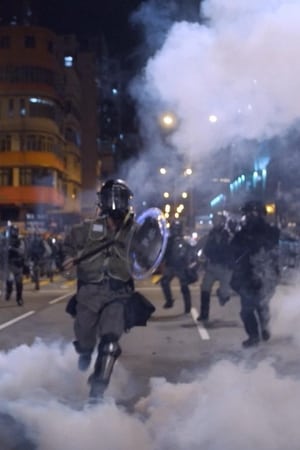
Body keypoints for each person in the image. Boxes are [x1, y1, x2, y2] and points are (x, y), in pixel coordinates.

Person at [62, 179, 155, 402]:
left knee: (110, 341)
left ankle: (97, 392)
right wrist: (67, 259)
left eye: (120, 198)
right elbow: (67, 246)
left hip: (118, 293)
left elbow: (148, 256)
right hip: (89, 294)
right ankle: (84, 351)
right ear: (102, 201)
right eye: (111, 198)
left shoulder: (136, 231)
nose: (115, 203)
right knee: (85, 339)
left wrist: (150, 245)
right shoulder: (87, 229)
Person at [230, 200, 280, 348]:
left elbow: (272, 249)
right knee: (247, 308)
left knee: (262, 304)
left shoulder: (270, 232)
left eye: (250, 213)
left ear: (259, 214)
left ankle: (264, 327)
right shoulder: (242, 233)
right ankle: (253, 336)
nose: (247, 216)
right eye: (246, 214)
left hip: (265, 273)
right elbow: (233, 250)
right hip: (247, 274)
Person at [197, 212, 233, 322]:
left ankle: (222, 295)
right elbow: (201, 246)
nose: (216, 223)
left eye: (218, 221)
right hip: (212, 266)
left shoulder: (229, 236)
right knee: (205, 290)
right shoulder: (210, 235)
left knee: (225, 294)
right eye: (215, 221)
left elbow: (234, 251)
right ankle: (204, 315)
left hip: (225, 268)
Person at [160, 219, 198, 314]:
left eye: (177, 229)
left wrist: (191, 263)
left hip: (181, 266)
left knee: (184, 286)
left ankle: (187, 307)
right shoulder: (168, 241)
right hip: (171, 265)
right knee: (164, 282)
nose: (175, 231)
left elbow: (193, 250)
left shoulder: (185, 240)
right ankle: (169, 301)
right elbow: (163, 253)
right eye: (174, 229)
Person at [3, 224, 25, 306]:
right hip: (9, 264)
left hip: (18, 264)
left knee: (19, 283)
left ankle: (19, 298)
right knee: (9, 280)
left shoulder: (20, 241)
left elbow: (22, 251)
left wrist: (12, 249)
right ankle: (9, 292)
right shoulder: (5, 240)